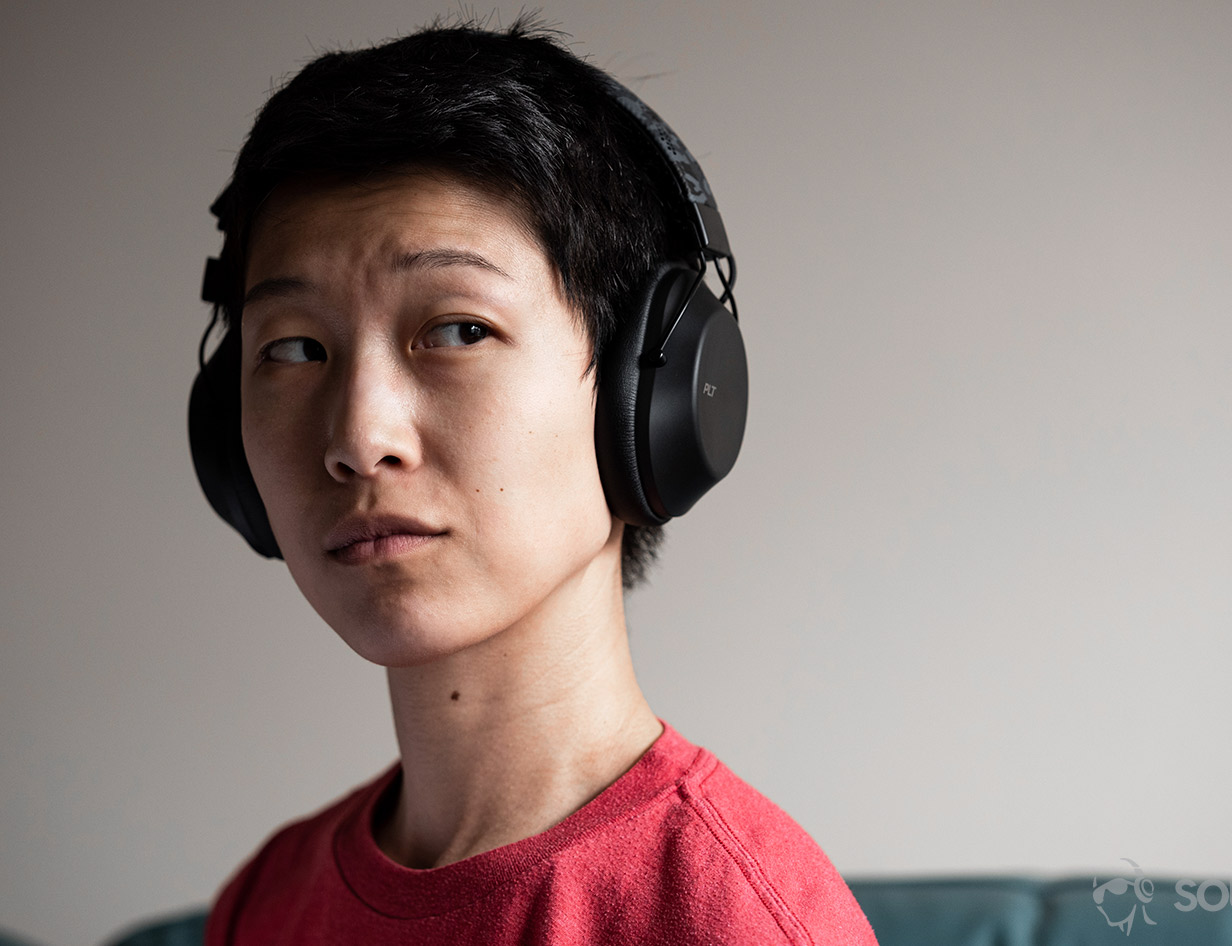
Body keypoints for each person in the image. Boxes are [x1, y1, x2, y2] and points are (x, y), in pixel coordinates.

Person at [188, 16, 877, 945]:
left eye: (459, 329)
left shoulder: (733, 920)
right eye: (296, 348)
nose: (359, 436)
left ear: (652, 398)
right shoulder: (264, 903)